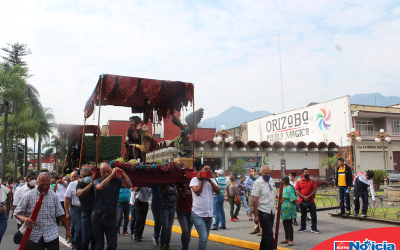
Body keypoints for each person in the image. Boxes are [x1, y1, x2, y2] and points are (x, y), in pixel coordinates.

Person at [14, 172, 72, 249]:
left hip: (51, 233)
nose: (45, 187)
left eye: (47, 184)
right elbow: (17, 212)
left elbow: (60, 214)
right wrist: (24, 219)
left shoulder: (54, 196)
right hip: (34, 235)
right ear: (37, 183)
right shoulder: (28, 196)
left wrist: (67, 230)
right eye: (42, 185)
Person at [92, 163, 132, 250]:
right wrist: (111, 174)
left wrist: (123, 173)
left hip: (111, 219)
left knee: (112, 245)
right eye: (104, 172)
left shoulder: (117, 181)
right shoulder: (97, 181)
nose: (106, 174)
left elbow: (129, 185)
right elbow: (100, 187)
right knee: (99, 246)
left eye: (108, 172)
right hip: (97, 218)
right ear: (100, 173)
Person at [190, 165, 220, 250]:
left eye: (209, 169)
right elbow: (197, 192)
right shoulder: (194, 180)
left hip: (209, 214)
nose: (208, 171)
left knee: (205, 238)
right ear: (200, 171)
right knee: (203, 237)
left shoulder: (212, 180)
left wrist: (210, 180)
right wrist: (201, 181)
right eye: (205, 169)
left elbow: (218, 191)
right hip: (198, 214)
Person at [252, 165, 277, 250]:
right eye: (266, 173)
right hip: (263, 211)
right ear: (261, 173)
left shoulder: (271, 181)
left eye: (269, 173)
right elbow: (255, 199)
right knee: (269, 233)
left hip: (271, 210)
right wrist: (256, 215)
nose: (268, 175)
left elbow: (274, 193)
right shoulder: (258, 183)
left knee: (266, 233)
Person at [295, 168, 320, 233]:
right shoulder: (299, 181)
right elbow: (297, 191)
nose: (307, 173)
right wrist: (303, 197)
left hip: (311, 200)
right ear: (302, 173)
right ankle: (303, 227)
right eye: (306, 172)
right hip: (302, 200)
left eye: (308, 172)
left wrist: (308, 196)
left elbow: (314, 190)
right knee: (303, 214)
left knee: (313, 214)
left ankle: (314, 228)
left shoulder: (312, 180)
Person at [76, 168, 96, 250]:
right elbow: (80, 193)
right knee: (85, 238)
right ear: (81, 177)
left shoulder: (96, 184)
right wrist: (90, 185)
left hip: (96, 215)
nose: (87, 177)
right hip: (86, 214)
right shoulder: (80, 185)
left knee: (95, 238)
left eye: (88, 175)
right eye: (84, 176)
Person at [64, 171, 81, 250]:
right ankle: (74, 243)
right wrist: (67, 212)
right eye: (72, 177)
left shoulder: (88, 183)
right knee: (76, 227)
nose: (74, 178)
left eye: (76, 176)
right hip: (75, 208)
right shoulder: (72, 184)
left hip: (86, 209)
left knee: (80, 228)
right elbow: (67, 198)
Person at [280, 176, 297, 247]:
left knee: (289, 224)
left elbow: (293, 198)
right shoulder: (284, 188)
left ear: (283, 181)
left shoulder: (289, 188)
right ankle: (287, 238)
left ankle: (291, 240)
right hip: (284, 209)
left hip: (289, 208)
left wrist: (297, 205)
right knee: (284, 223)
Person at [160, 184, 177, 250]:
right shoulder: (165, 184)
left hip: (172, 208)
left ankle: (167, 244)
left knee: (169, 227)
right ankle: (162, 242)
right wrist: (166, 185)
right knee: (165, 226)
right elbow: (162, 192)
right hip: (165, 208)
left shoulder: (175, 185)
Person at [176, 181, 193, 250]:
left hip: (191, 211)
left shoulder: (194, 185)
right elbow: (183, 195)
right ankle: (185, 248)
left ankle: (185, 247)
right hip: (181, 210)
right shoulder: (180, 185)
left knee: (188, 231)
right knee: (185, 230)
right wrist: (185, 185)